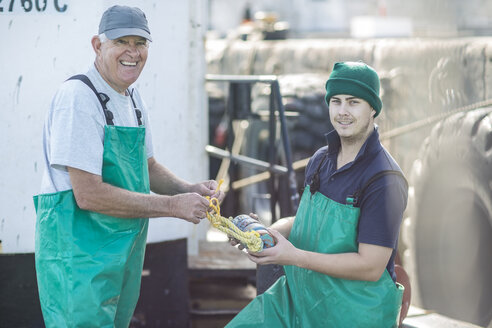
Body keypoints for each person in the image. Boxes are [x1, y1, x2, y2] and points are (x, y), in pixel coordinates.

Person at [34, 5, 223, 328]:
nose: (132, 53)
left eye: (141, 43)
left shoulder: (132, 99)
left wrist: (188, 189)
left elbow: (146, 167)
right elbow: (88, 195)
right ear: (98, 45)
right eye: (122, 41)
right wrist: (173, 206)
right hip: (78, 253)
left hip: (121, 251)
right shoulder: (78, 97)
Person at [227, 61, 408, 327]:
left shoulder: (384, 179)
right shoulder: (321, 160)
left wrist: (292, 256)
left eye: (353, 102)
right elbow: (304, 220)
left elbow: (370, 267)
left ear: (373, 109)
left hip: (351, 314)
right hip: (299, 301)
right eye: (336, 101)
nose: (342, 112)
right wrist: (265, 233)